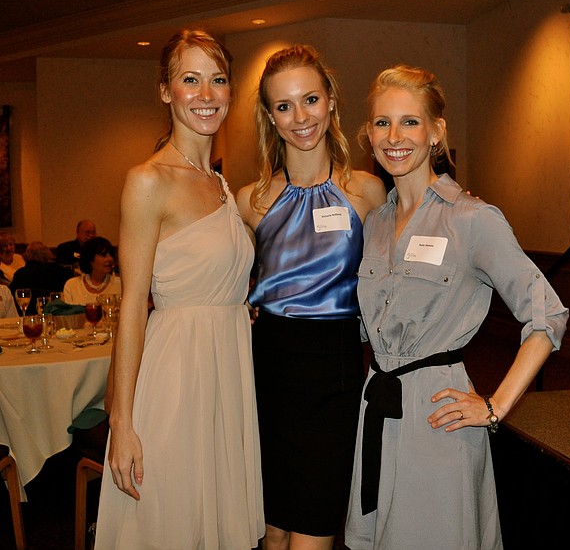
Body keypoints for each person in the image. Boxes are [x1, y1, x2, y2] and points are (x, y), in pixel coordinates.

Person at [343, 65, 569, 549]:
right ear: (368, 133)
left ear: (436, 131)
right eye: (382, 123)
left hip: (437, 415)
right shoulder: (375, 224)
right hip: (377, 406)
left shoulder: (471, 220)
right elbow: (368, 326)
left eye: (410, 121)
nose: (394, 137)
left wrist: (496, 406)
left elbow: (547, 313)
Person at [95, 30, 264, 549]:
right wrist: (122, 424)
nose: (206, 94)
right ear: (165, 91)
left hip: (228, 378)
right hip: (175, 380)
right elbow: (131, 310)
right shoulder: (148, 180)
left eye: (217, 80)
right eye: (190, 80)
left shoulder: (221, 185)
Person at [237, 45, 386, 550]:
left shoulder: (367, 192)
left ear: (331, 103)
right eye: (283, 106)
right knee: (271, 532)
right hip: (266, 375)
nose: (300, 117)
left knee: (313, 534)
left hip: (335, 376)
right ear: (269, 117)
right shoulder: (249, 201)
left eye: (310, 99)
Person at [9, 241, 72, 313]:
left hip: (27, 314)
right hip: (56, 313)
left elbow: (12, 295)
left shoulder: (20, 274)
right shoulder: (61, 272)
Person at [62, 237, 122, 305]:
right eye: (104, 255)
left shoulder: (120, 285)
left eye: (111, 255)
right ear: (90, 260)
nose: (110, 259)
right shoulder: (72, 286)